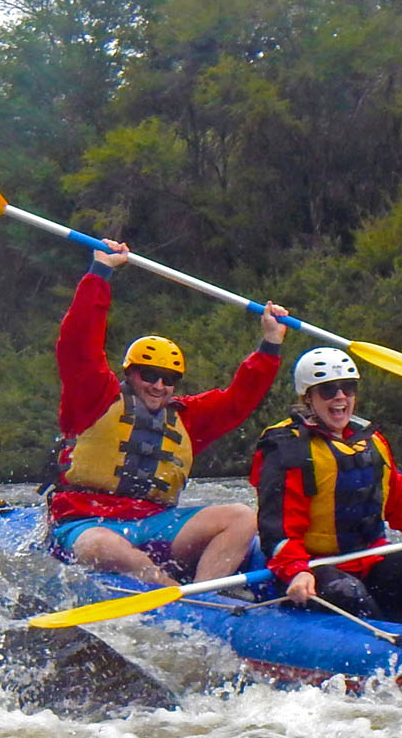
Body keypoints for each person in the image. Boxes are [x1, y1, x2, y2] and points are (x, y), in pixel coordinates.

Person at [48, 241, 289, 586]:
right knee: (106, 545)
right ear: (130, 374)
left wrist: (270, 343)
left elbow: (239, 400)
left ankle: (208, 594)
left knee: (241, 517)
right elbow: (78, 345)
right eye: (149, 375)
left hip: (156, 523)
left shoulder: (186, 418)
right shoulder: (93, 398)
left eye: (169, 379)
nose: (159, 385)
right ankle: (170, 590)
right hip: (87, 522)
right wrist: (100, 272)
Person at [251, 348, 402, 624]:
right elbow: (277, 530)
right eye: (328, 390)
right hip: (314, 569)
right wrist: (296, 570)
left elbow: (401, 507)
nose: (340, 396)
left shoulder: (372, 442)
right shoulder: (288, 450)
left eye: (348, 388)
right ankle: (385, 649)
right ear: (308, 398)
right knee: (349, 594)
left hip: (369, 560)